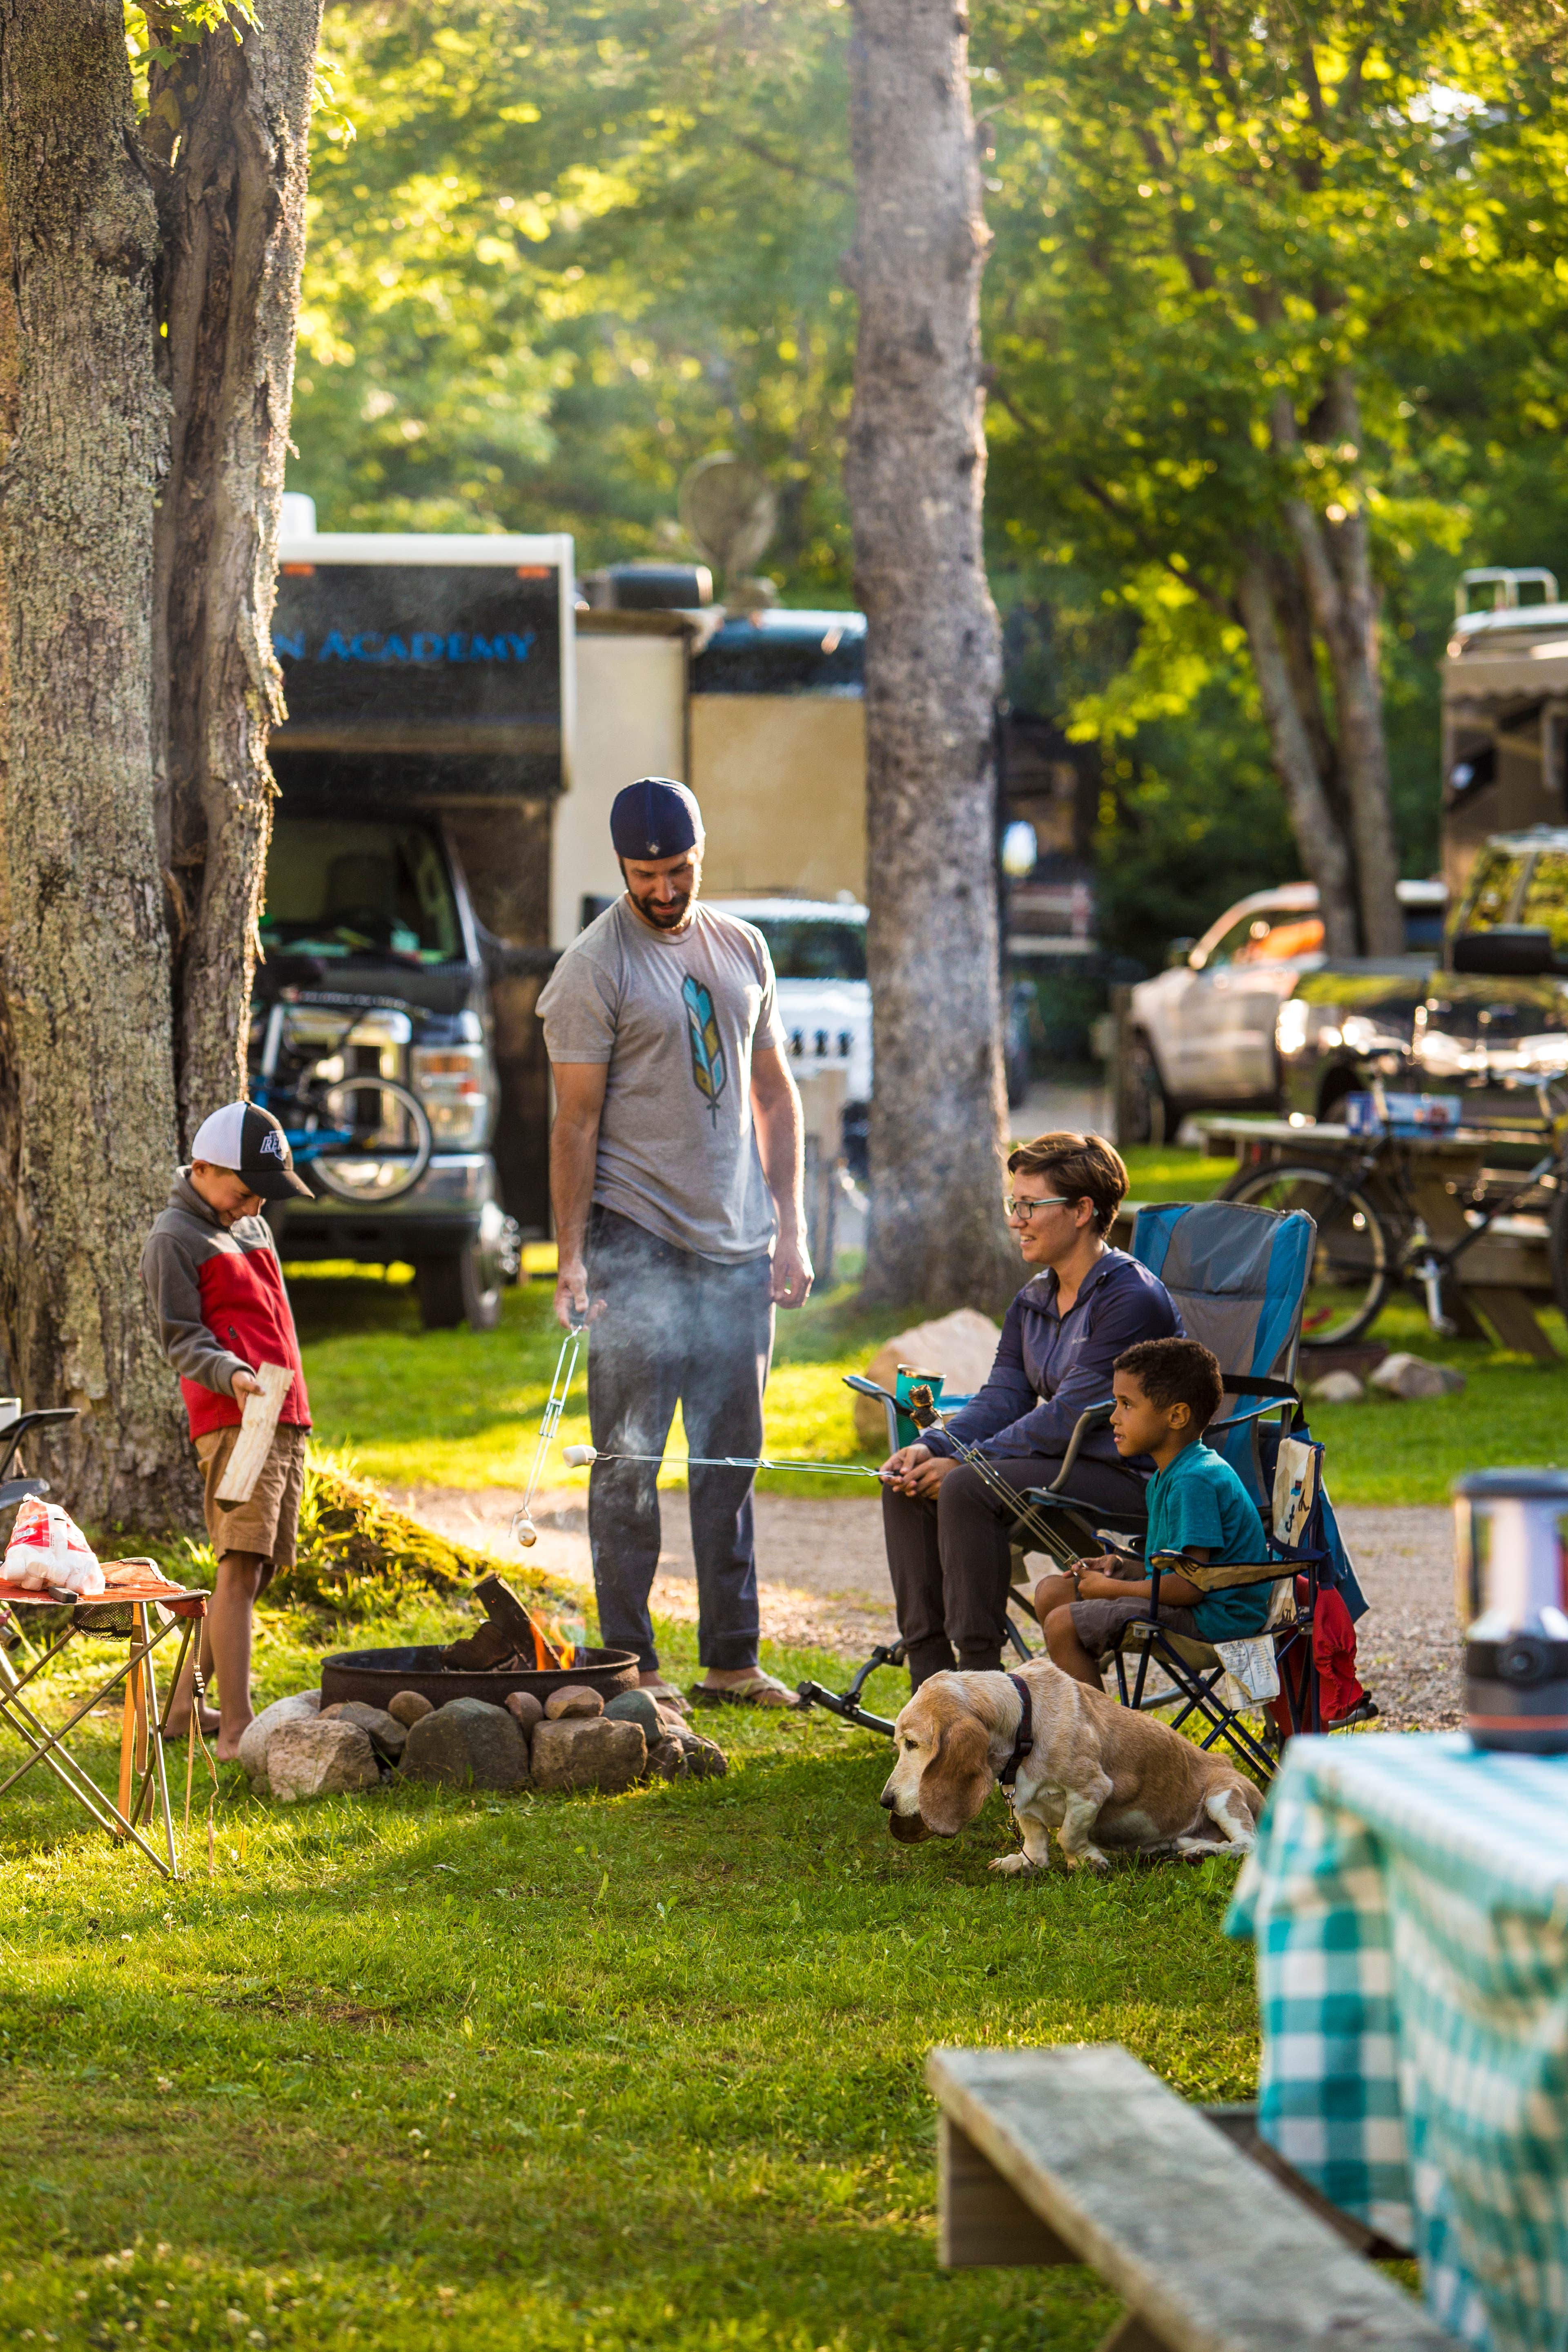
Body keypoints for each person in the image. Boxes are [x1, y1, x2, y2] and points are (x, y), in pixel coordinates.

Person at [536, 776, 813, 1711]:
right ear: (623, 867)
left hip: (739, 1242)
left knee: (730, 1461)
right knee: (628, 1460)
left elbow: (772, 1093)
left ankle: (733, 1658)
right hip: (637, 1237)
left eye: (679, 869)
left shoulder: (743, 946)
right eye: (645, 874)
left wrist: (791, 1227)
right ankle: (633, 1663)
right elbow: (574, 1123)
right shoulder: (593, 966)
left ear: (701, 853)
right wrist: (572, 1257)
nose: (664, 889)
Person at [881, 1131, 1181, 1685]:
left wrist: (964, 1462)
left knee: (968, 1485)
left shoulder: (1129, 1299)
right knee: (908, 1481)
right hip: (1067, 1466)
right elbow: (1003, 1397)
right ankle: (930, 1679)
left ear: (1082, 1211)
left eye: (1029, 1206)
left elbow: (1069, 1414)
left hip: (1138, 1477)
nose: (1015, 1220)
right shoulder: (1034, 1299)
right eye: (1012, 1204)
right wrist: (932, 1445)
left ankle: (980, 1681)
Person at [139, 1101, 313, 1760]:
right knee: (238, 1564)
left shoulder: (252, 1225)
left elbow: (274, 1321)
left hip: (281, 1412)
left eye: (262, 1195)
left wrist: (291, 1403)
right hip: (234, 1417)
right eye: (244, 1192)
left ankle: (185, 1706)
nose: (253, 1206)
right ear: (203, 1168)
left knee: (258, 1568)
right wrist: (232, 1373)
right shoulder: (174, 1238)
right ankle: (238, 1727)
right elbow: (181, 1338)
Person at [1031, 1336, 1269, 1686]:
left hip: (1215, 1622)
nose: (1114, 1418)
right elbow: (1171, 1568)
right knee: (1052, 1592)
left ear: (1177, 1416)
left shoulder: (1194, 1480)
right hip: (1191, 1605)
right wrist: (1121, 1567)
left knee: (1062, 1625)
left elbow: (1190, 1587)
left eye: (1127, 1405)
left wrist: (1111, 1589)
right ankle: (1090, 1709)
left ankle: (1099, 1723)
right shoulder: (1169, 1475)